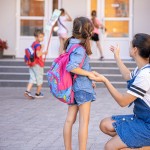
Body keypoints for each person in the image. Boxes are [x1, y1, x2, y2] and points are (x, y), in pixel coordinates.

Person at [90, 33, 150, 150]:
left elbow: (123, 101)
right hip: (142, 119)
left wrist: (105, 80)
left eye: (130, 45)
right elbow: (127, 75)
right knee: (105, 124)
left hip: (148, 124)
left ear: (135, 50)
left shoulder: (145, 75)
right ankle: (136, 141)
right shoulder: (142, 68)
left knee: (110, 147)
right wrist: (117, 57)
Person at [63, 17, 96, 150]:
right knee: (84, 122)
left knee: (69, 120)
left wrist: (89, 78)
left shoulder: (70, 44)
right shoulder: (80, 48)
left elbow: (77, 66)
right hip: (82, 88)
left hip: (73, 87)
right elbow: (71, 67)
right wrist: (89, 75)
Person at [24, 29, 48, 99]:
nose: (42, 38)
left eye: (43, 37)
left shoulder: (33, 43)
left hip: (32, 63)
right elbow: (38, 54)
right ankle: (38, 93)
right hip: (38, 64)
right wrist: (43, 50)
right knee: (39, 79)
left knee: (32, 78)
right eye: (40, 37)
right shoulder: (38, 45)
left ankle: (27, 91)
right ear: (36, 37)